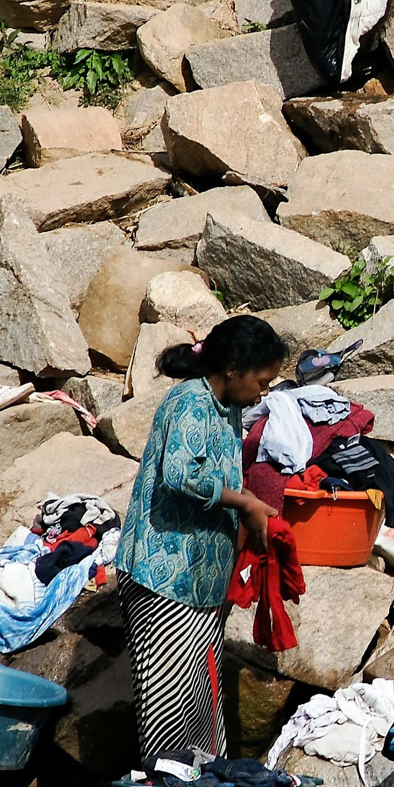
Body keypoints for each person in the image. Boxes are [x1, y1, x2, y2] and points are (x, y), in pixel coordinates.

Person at [115, 316, 287, 762]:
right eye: (262, 381)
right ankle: (167, 786)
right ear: (233, 368)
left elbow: (216, 478)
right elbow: (179, 475)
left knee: (200, 693)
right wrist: (245, 502)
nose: (264, 391)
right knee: (168, 698)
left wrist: (249, 505)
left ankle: (202, 781)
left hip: (198, 580)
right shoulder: (190, 401)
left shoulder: (226, 407)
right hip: (163, 574)